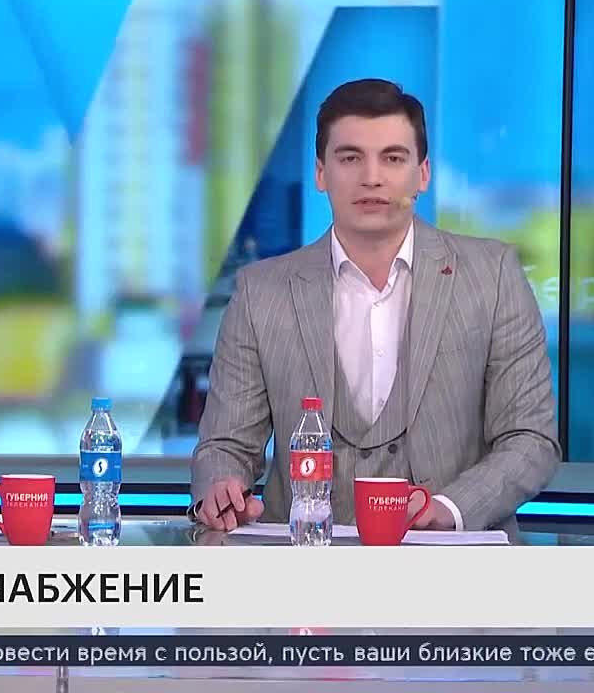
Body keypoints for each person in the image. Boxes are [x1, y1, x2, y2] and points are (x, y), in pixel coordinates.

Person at [190, 78, 559, 535]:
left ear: (422, 174)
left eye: (393, 158)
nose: (372, 177)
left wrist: (449, 509)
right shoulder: (260, 292)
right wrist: (221, 488)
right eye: (350, 158)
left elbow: (530, 438)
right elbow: (224, 445)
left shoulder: (493, 276)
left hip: (454, 564)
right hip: (306, 566)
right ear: (321, 173)